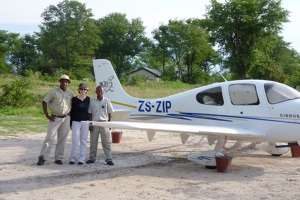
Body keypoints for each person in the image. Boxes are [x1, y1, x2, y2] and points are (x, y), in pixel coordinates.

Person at [37, 74, 74, 165]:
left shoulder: (70, 93)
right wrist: (47, 116)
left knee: (62, 139)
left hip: (65, 118)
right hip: (55, 118)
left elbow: (76, 103)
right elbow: (44, 101)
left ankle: (58, 158)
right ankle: (43, 157)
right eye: (63, 81)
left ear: (68, 83)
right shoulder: (53, 92)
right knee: (49, 138)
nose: (65, 83)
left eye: (66, 81)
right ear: (60, 82)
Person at [86, 85, 114, 165]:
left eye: (101, 91)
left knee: (106, 142)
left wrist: (109, 124)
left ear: (103, 92)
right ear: (96, 91)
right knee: (93, 142)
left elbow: (110, 113)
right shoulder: (92, 101)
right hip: (95, 123)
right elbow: (90, 113)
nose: (100, 92)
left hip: (104, 122)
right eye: (98, 91)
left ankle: (109, 159)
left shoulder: (107, 101)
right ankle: (92, 158)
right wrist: (90, 124)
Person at [69, 83, 90, 165]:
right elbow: (72, 111)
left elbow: (89, 112)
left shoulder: (88, 99)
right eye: (82, 89)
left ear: (87, 90)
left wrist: (90, 123)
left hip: (85, 122)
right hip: (76, 121)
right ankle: (72, 158)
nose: (83, 90)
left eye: (85, 89)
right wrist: (70, 123)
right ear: (79, 90)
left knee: (83, 140)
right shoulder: (74, 99)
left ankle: (82, 158)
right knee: (75, 140)